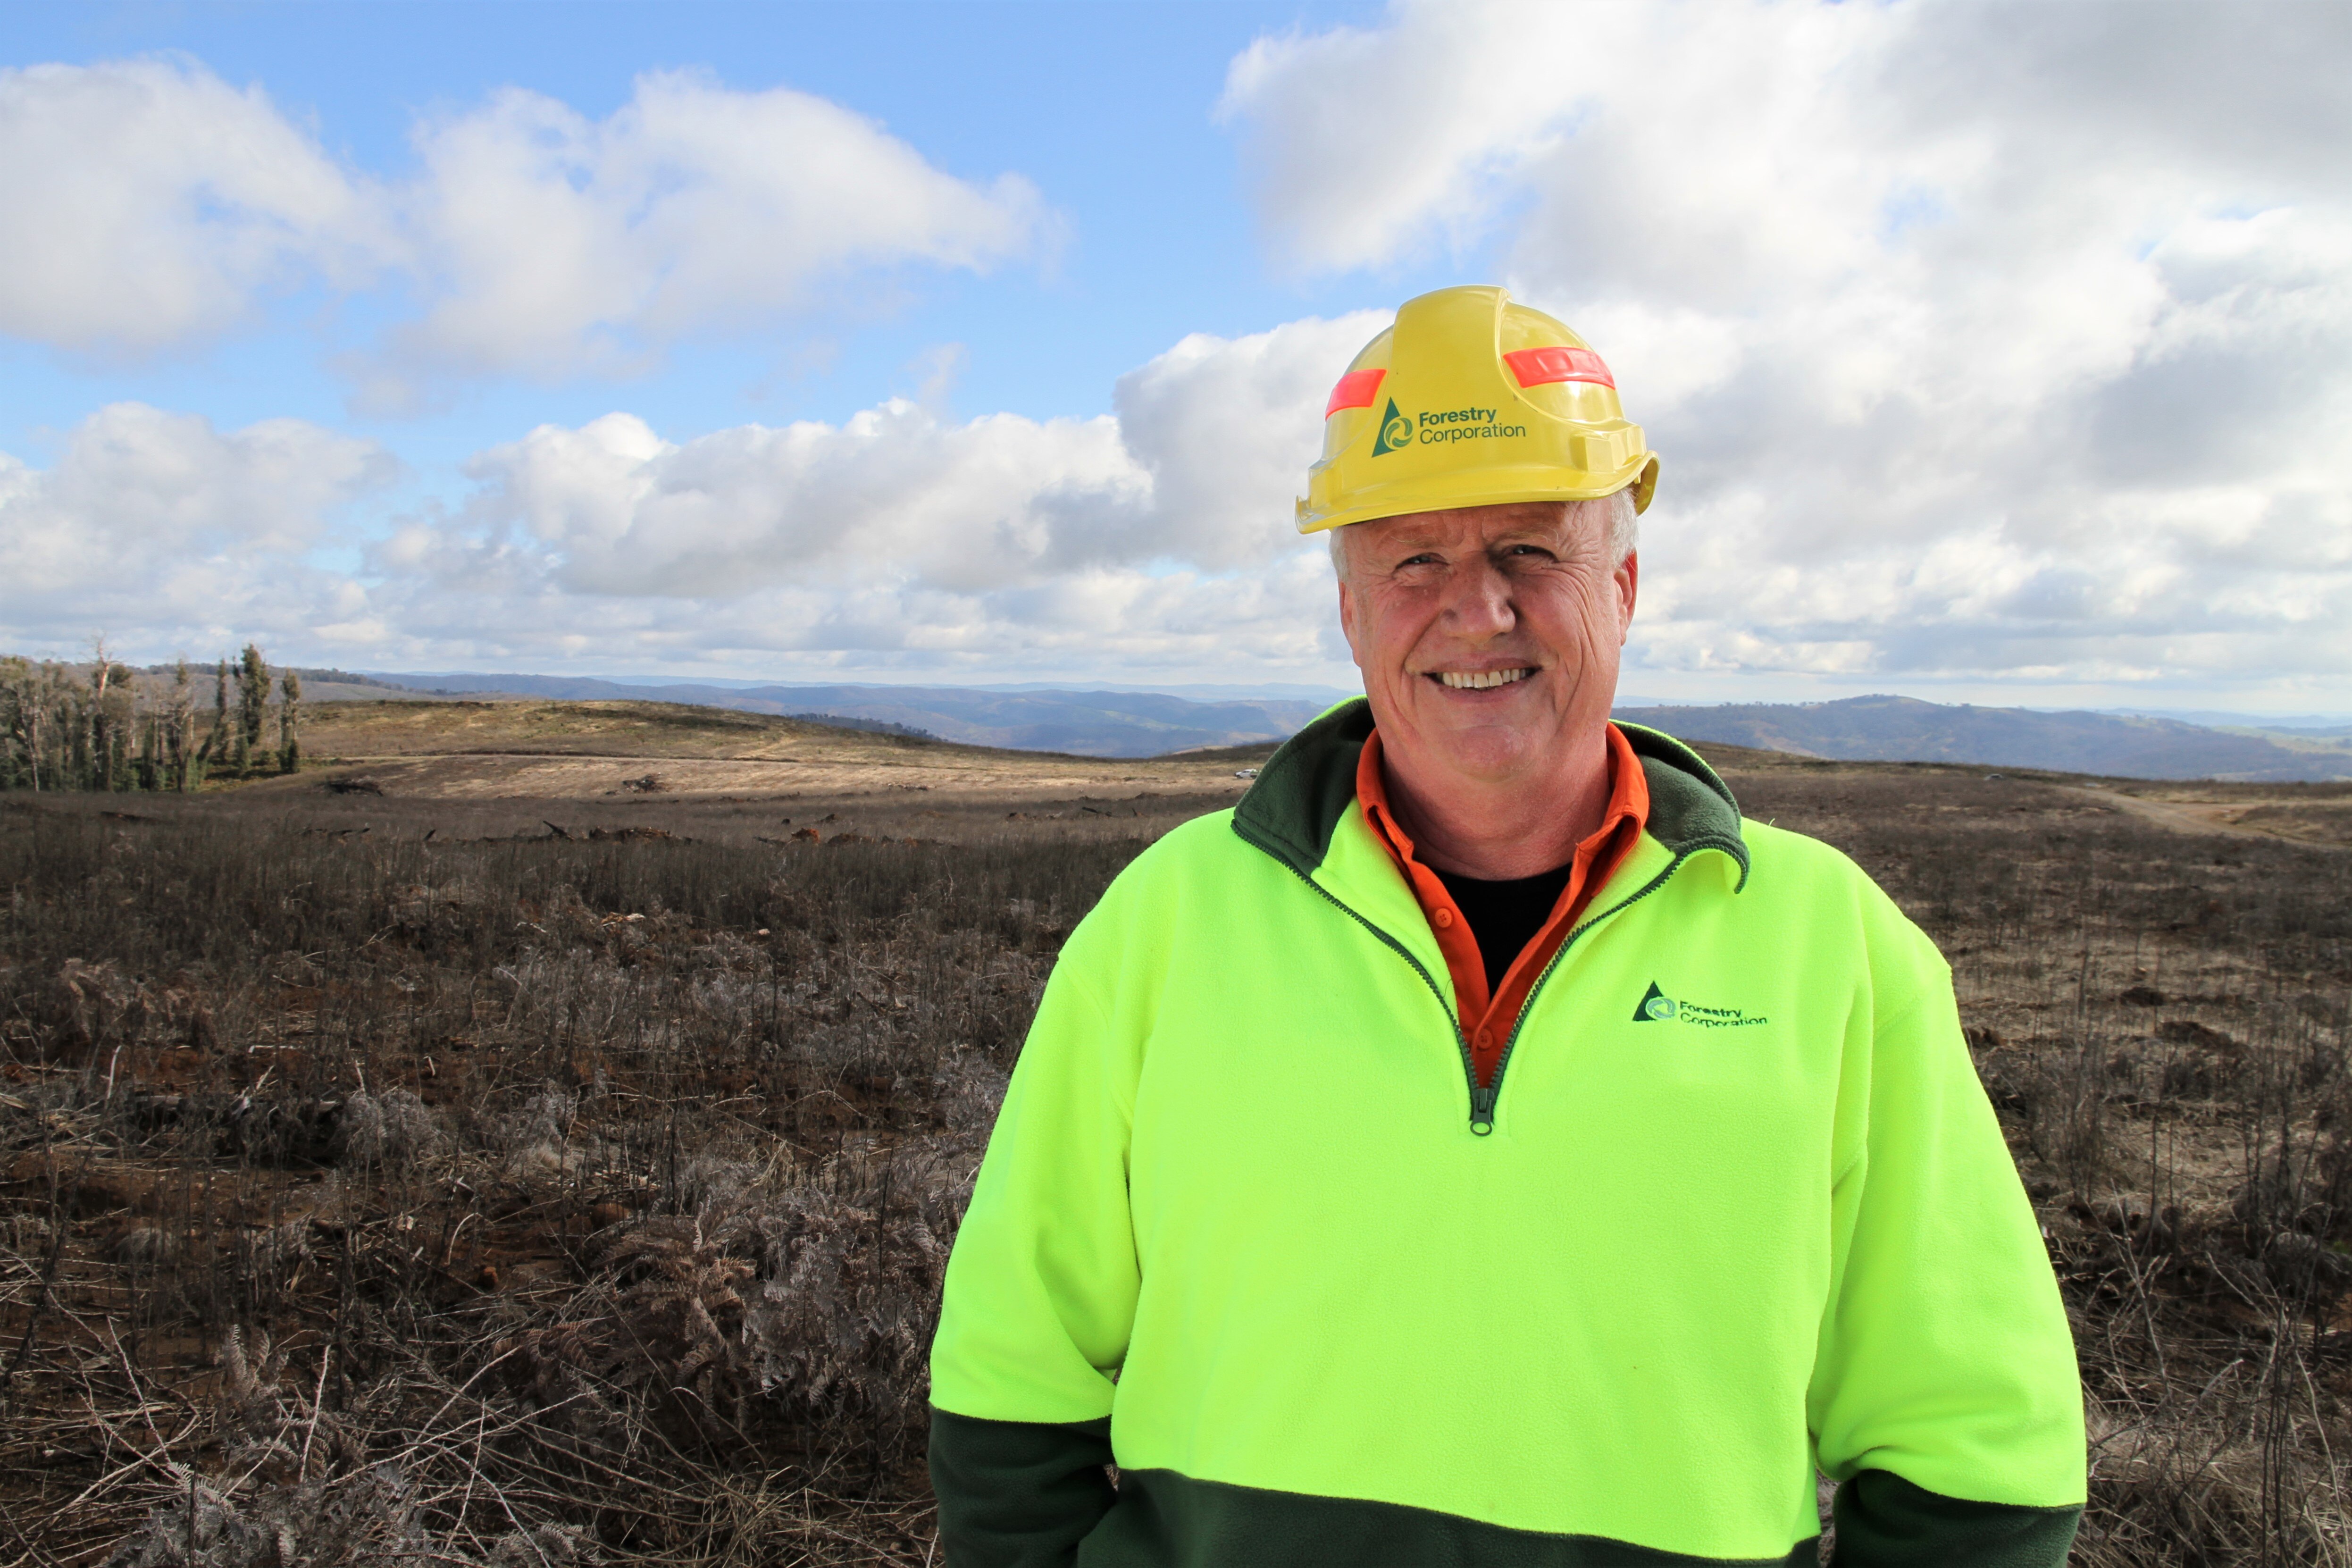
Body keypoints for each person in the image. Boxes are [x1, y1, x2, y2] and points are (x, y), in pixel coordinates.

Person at [926, 285, 2085, 1566]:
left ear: (1624, 585)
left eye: (1529, 549)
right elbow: (1011, 1367)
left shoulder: (1835, 950)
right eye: (1412, 558)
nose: (1475, 608)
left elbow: (1978, 1442)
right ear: (1351, 609)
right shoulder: (1165, 921)